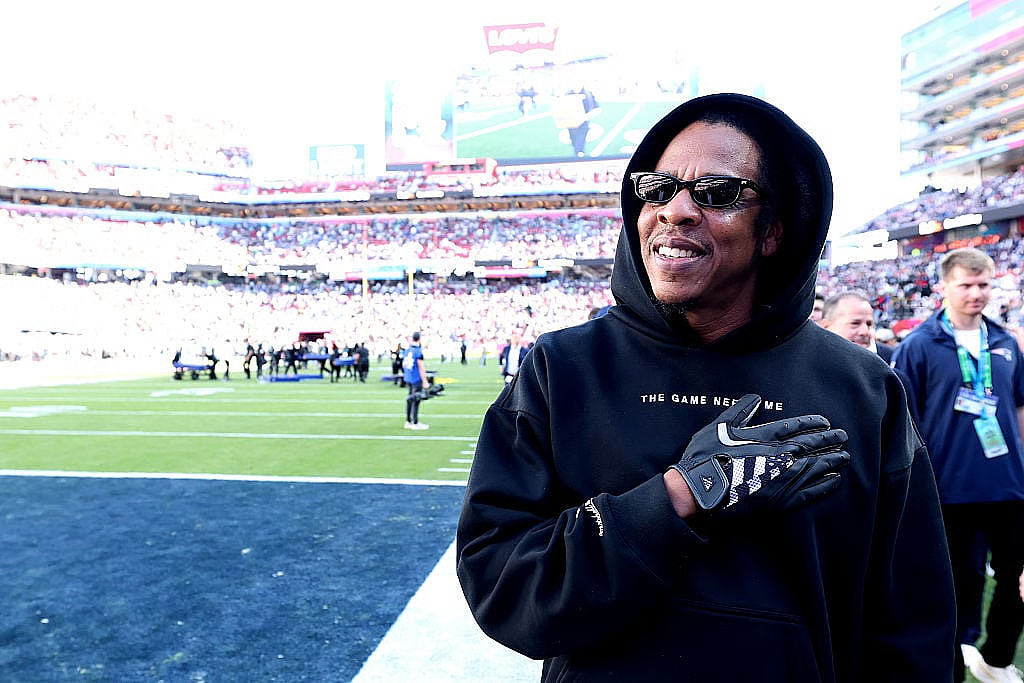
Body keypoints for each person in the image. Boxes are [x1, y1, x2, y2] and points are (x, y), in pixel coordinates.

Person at [456, 93, 955, 681]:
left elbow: (913, 628)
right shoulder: (562, 370)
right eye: (657, 189)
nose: (676, 211)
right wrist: (677, 500)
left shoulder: (863, 389)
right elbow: (504, 587)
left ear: (771, 230)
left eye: (715, 193)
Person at [892, 247, 1024, 683]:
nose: (976, 293)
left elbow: (1019, 409)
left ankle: (997, 659)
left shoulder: (1005, 341)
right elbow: (907, 419)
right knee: (948, 586)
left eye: (983, 284)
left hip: (1007, 486)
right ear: (945, 287)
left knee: (1015, 581)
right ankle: (948, 666)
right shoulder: (919, 345)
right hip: (945, 488)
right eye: (966, 284)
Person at [821, 290, 893, 362]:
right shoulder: (811, 363)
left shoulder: (889, 361)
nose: (865, 332)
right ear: (826, 327)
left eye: (869, 324)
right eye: (855, 323)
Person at [402, 331, 428, 430]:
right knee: (416, 400)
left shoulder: (408, 349)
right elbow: (421, 366)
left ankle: (408, 420)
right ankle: (415, 422)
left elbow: (404, 364)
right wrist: (425, 381)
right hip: (416, 378)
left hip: (408, 377)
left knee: (410, 400)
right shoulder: (418, 351)